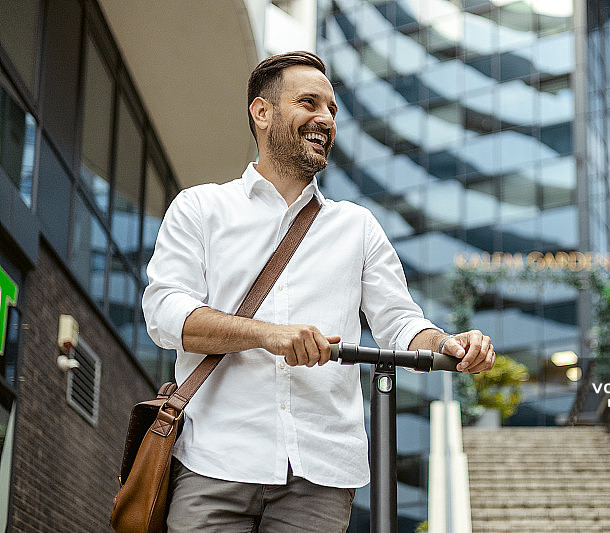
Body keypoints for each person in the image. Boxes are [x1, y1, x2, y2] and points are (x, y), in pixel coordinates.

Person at [142, 51, 495, 533]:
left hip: (320, 475)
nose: (325, 119)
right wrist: (266, 335)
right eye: (309, 103)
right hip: (214, 460)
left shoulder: (357, 227)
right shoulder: (200, 209)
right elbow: (166, 315)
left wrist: (446, 343)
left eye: (331, 109)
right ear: (261, 113)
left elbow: (399, 321)